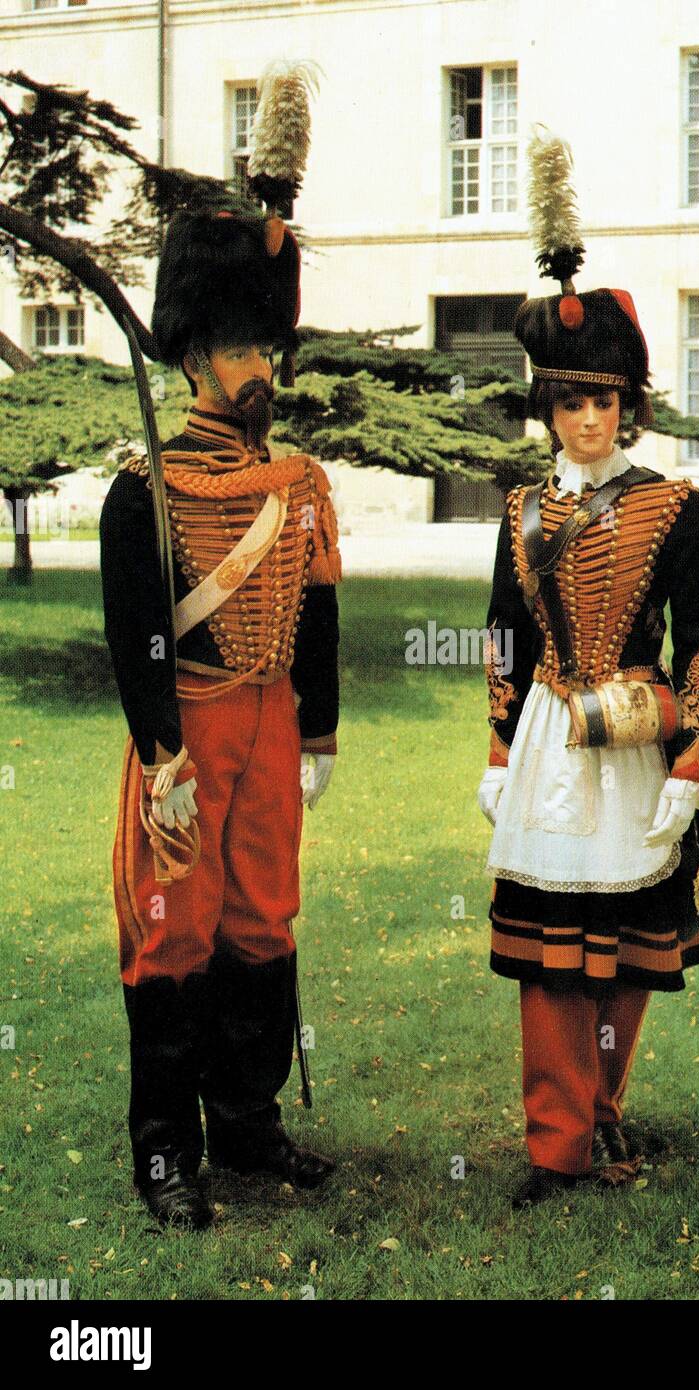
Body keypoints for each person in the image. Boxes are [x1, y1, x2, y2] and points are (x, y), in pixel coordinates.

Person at [477, 134, 699, 1208]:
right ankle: (554, 1143)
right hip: (543, 744)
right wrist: (495, 743)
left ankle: (605, 1105)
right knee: (545, 954)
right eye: (566, 401)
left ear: (630, 403)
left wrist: (691, 758)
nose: (585, 418)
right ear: (546, 410)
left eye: (602, 399)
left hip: (635, 748)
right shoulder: (521, 509)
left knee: (622, 948)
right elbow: (500, 634)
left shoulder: (676, 505)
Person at [100, 207, 341, 1229]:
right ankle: (166, 1151)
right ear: (194, 355)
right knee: (174, 933)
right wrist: (162, 756)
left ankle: (247, 1123)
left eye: (266, 348)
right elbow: (136, 639)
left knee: (261, 923)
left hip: (273, 728)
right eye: (239, 349)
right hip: (188, 735)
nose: (259, 371)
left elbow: (320, 617)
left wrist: (320, 733)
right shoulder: (141, 492)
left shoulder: (303, 485)